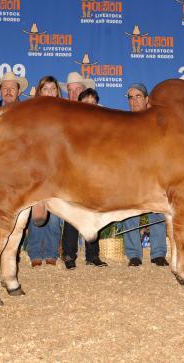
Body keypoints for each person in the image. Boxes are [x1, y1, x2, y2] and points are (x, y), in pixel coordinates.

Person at [59, 72, 108, 269]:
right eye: (85, 103)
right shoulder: (71, 123)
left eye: (92, 103)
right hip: (74, 173)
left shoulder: (103, 123)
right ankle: (69, 255)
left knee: (93, 214)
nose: (89, 106)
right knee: (72, 215)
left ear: (97, 105)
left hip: (95, 174)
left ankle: (92, 255)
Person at [120, 83, 168, 267]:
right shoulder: (123, 122)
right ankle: (134, 255)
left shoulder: (157, 122)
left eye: (138, 96)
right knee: (130, 214)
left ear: (147, 100)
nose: (134, 100)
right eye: (130, 97)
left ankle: (158, 253)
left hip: (154, 174)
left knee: (157, 213)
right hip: (131, 175)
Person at [26, 76, 64, 267]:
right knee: (36, 210)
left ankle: (50, 253)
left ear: (58, 91)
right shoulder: (31, 114)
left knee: (55, 212)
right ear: (39, 92)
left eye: (52, 89)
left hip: (56, 169)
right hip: (36, 168)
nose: (49, 92)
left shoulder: (63, 114)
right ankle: (34, 253)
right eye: (45, 89)